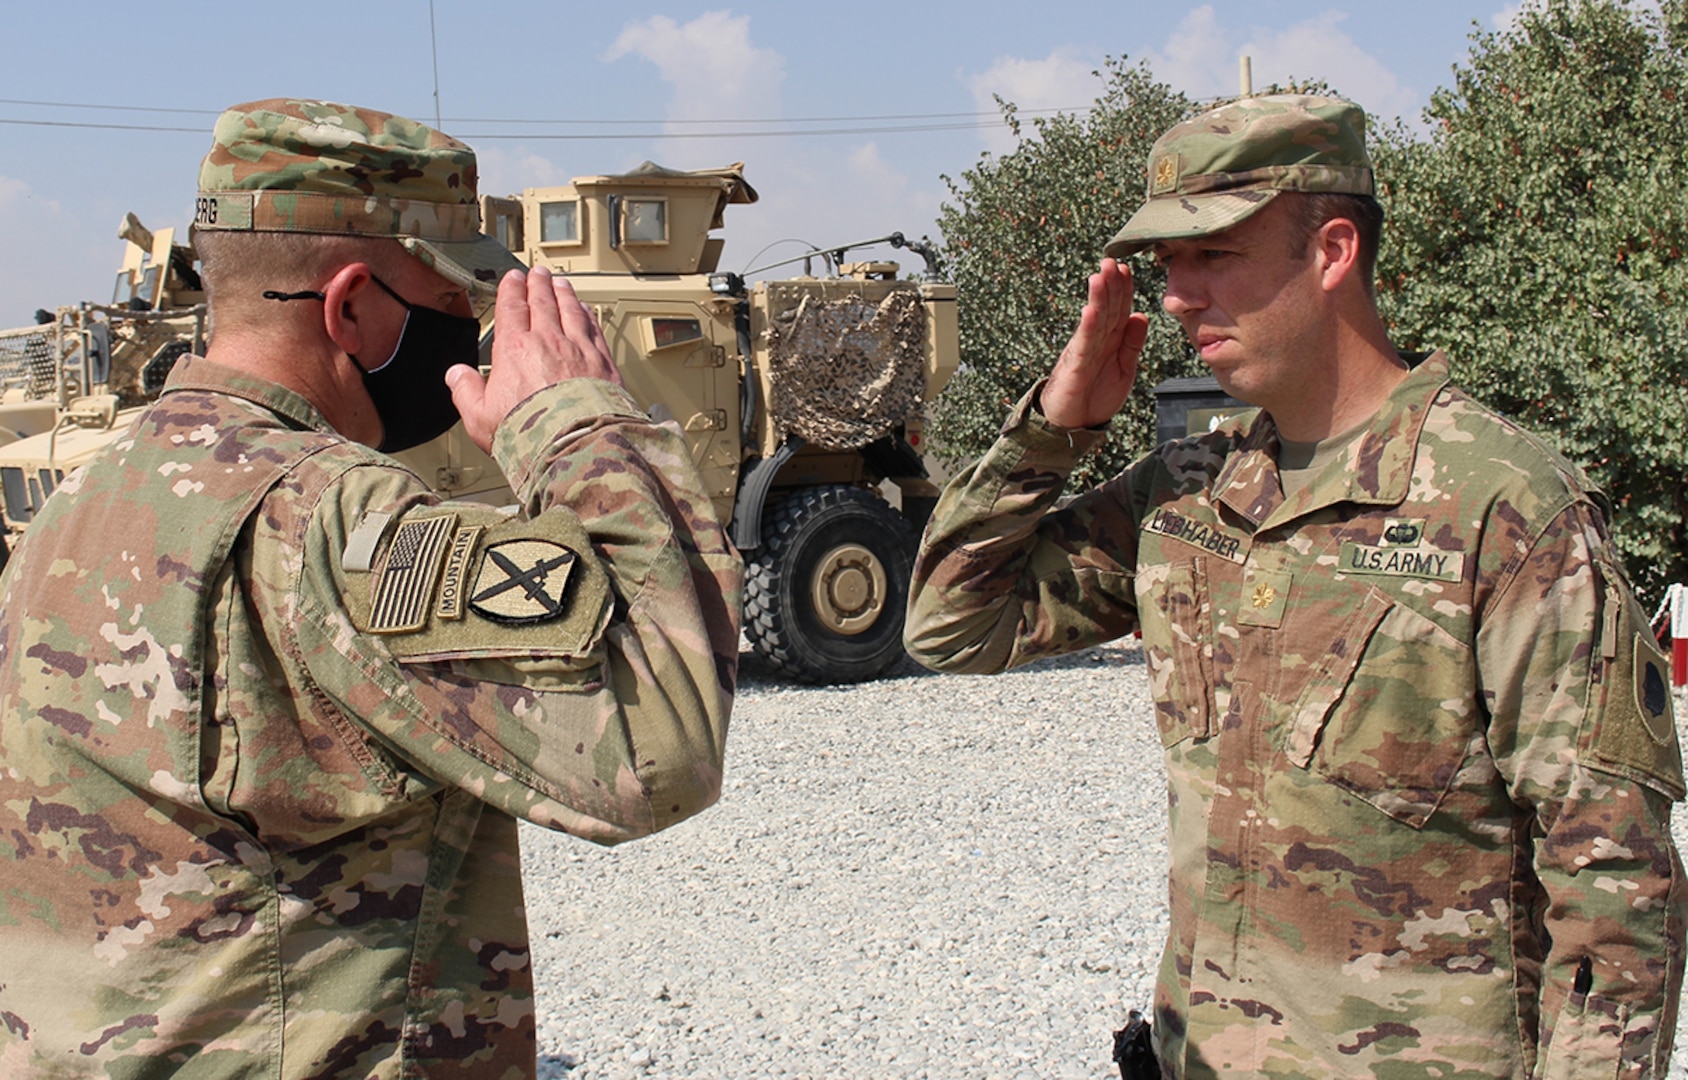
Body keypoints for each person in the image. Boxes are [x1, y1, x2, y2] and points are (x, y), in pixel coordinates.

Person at [905, 94, 1686, 1078]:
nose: (1178, 296)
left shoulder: (1503, 511)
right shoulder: (1195, 485)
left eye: (1212, 254)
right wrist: (1051, 433)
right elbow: (950, 623)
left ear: (1329, 252)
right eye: (1168, 265)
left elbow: (1612, 883)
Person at [0, 99, 741, 1077]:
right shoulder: (326, 520)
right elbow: (659, 750)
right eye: (454, 307)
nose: (472, 335)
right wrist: (577, 424)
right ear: (351, 309)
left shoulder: (81, 503)